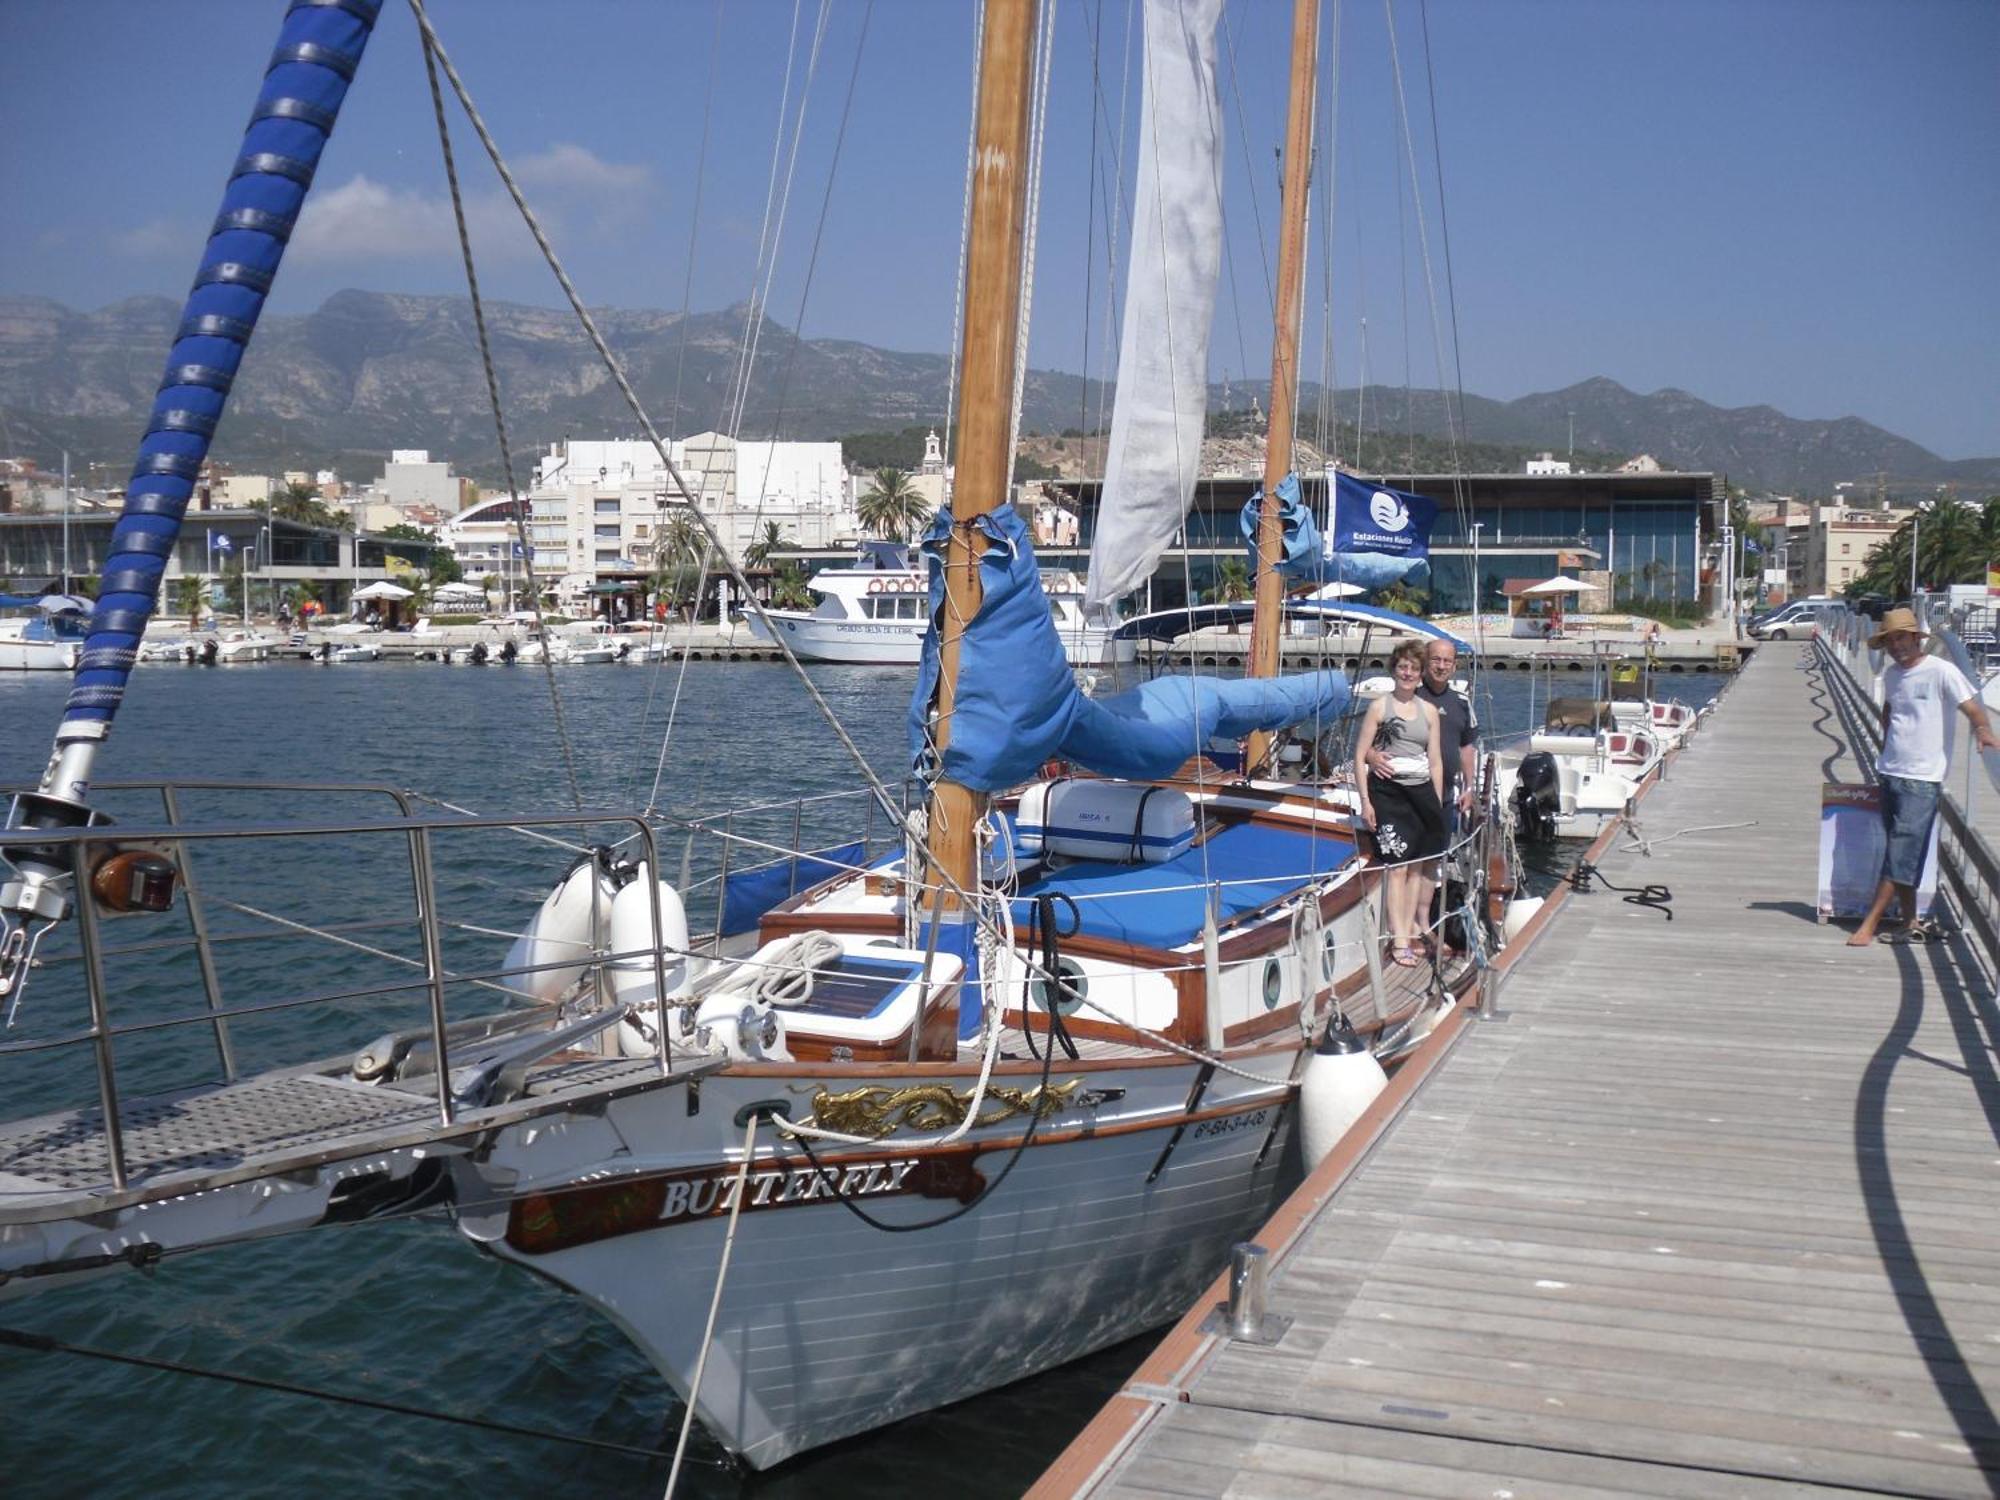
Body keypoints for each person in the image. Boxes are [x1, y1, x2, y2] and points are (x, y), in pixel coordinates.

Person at [1848, 607, 2000, 946]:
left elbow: (1973, 707)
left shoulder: (1941, 671)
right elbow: (1891, 707)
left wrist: (1984, 730)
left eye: (1901, 638)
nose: (1896, 646)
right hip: (1890, 771)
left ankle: (1869, 925)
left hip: (1922, 779)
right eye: (1889, 641)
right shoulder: (1891, 674)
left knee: (1901, 852)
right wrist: (1888, 739)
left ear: (1917, 638)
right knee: (1904, 851)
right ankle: (1910, 920)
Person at [1354, 639, 1446, 967]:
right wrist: (1366, 802)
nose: (1408, 673)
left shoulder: (1430, 712)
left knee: (1417, 867)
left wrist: (1434, 803)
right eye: (1402, 666)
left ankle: (1406, 930)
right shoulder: (1380, 707)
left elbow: (1434, 760)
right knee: (1397, 868)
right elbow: (1359, 753)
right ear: (1394, 669)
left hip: (1420, 794)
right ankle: (1399, 941)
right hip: (1388, 794)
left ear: (1421, 675)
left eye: (1414, 668)